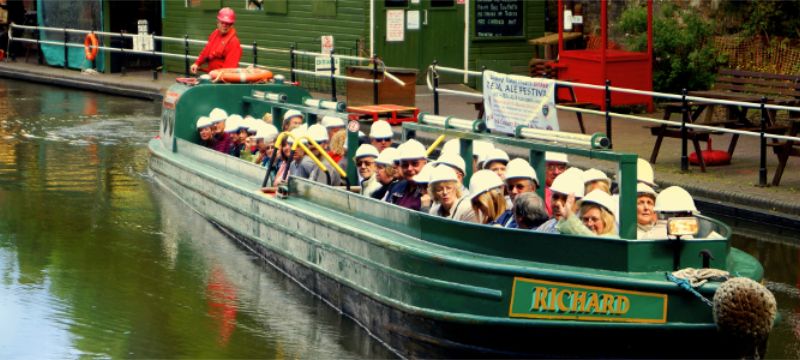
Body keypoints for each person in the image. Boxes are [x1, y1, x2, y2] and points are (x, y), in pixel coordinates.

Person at [190, 8, 242, 74]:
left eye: (227, 23)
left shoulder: (234, 42)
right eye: (222, 22)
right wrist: (197, 63)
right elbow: (206, 51)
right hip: (213, 74)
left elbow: (229, 70)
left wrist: (216, 76)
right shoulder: (215, 34)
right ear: (217, 22)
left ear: (232, 24)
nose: (224, 25)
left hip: (222, 78)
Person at [537, 168, 585, 233]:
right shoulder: (546, 228)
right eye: (555, 197)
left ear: (579, 204)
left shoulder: (585, 230)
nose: (557, 203)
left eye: (565, 199)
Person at [385, 139, 427, 210]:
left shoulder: (432, 192)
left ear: (425, 163)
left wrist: (425, 208)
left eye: (415, 164)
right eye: (405, 164)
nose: (409, 168)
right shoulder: (397, 187)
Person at [544, 152, 569, 216]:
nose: (556, 172)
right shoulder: (538, 191)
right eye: (551, 167)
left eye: (561, 167)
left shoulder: (572, 190)